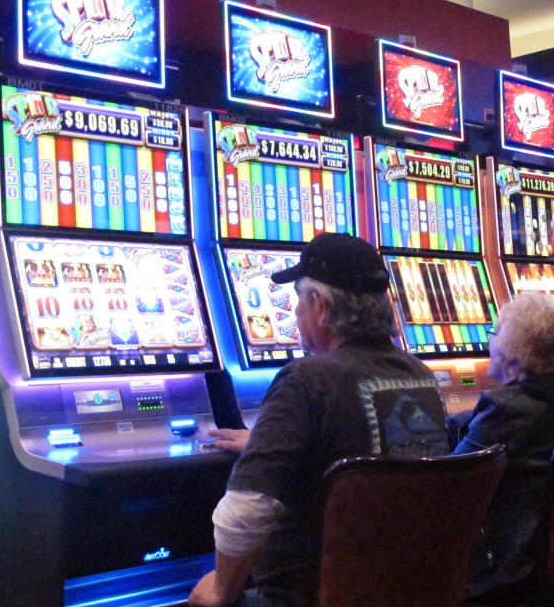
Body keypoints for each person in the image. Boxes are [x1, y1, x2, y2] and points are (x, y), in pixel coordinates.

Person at [188, 233, 450, 607]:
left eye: (297, 300)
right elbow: (368, 449)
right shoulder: (422, 377)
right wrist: (270, 441)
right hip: (402, 590)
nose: (295, 313)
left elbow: (245, 511)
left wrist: (223, 591)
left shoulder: (307, 380)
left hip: (311, 594)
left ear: (319, 305)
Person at [452, 292, 554, 598]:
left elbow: (451, 483)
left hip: (506, 559)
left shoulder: (507, 409)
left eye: (494, 333)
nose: (490, 343)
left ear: (512, 350)